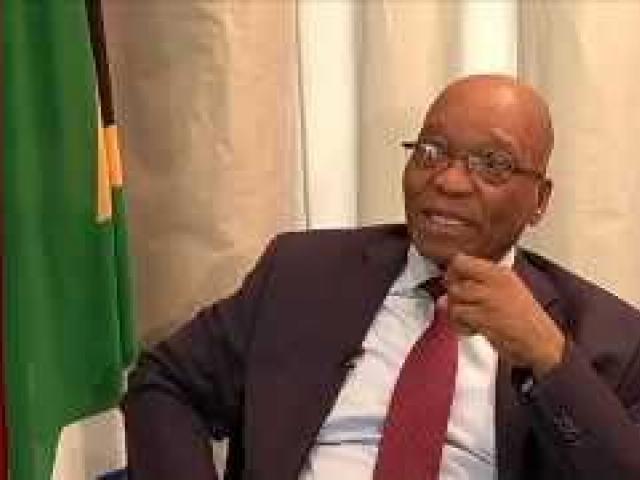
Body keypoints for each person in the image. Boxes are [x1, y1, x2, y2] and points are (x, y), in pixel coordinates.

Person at [123, 75, 640, 480]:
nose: (449, 181)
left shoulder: (609, 339)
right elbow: (165, 382)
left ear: (539, 201)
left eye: (491, 164)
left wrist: (548, 356)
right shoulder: (303, 273)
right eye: (431, 151)